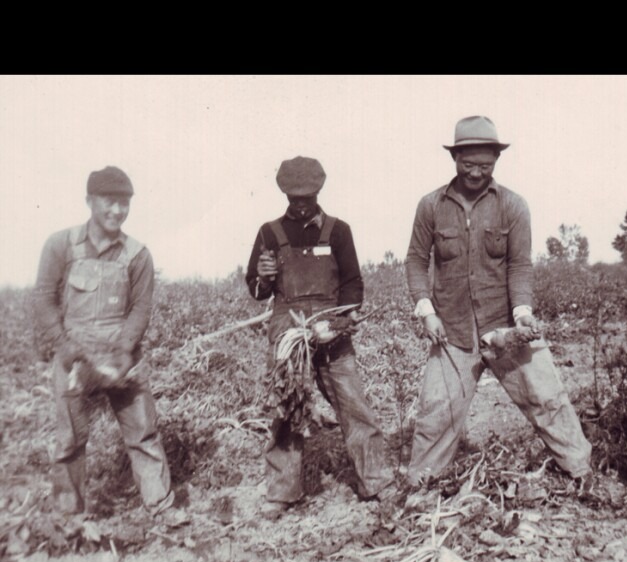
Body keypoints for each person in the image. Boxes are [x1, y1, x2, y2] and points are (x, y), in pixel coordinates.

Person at [404, 116, 593, 488]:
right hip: (453, 331)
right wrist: (425, 310)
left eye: (485, 166)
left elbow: (520, 264)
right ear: (455, 158)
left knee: (547, 399)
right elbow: (414, 260)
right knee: (436, 415)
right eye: (468, 164)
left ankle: (581, 472)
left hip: (506, 327)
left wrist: (522, 314)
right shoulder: (430, 206)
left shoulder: (513, 206)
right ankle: (420, 489)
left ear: (496, 162)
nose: (476, 173)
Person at [246, 156, 395, 516]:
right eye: (293, 196)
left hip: (332, 331)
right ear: (284, 193)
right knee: (287, 411)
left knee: (353, 406)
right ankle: (282, 492)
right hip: (289, 337)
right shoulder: (269, 232)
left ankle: (376, 481)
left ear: (318, 191)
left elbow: (353, 282)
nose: (300, 203)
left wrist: (339, 323)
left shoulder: (338, 230)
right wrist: (264, 276)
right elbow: (257, 291)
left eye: (307, 196)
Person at [32, 166, 176, 518]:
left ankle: (161, 506)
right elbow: (44, 299)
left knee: (143, 433)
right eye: (109, 202)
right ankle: (69, 517)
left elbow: (141, 308)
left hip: (121, 356)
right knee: (70, 441)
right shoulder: (60, 245)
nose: (117, 211)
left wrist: (125, 352)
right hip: (75, 357)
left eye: (124, 203)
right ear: (89, 201)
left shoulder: (138, 254)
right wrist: (65, 348)